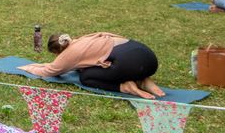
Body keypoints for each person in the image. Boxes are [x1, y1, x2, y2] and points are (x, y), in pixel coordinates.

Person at [18, 32, 164, 99]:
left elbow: (50, 71)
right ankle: (143, 79)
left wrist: (28, 68)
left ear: (58, 52)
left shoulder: (69, 54)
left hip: (129, 65)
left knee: (86, 77)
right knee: (105, 65)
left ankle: (125, 87)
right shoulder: (85, 39)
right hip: (148, 59)